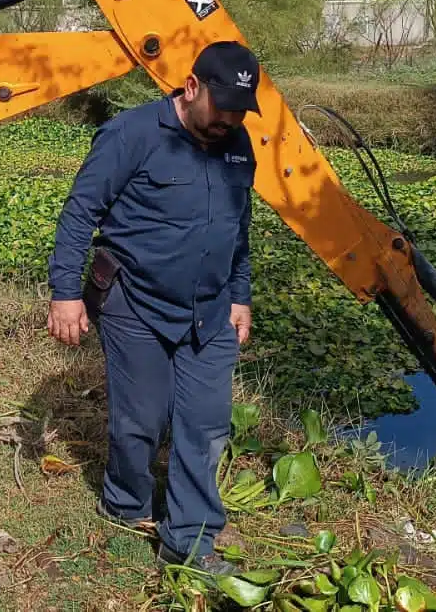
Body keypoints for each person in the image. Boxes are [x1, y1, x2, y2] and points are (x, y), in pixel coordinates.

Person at [46, 40, 259, 574]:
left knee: (206, 423)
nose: (230, 119)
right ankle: (126, 504)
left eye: (240, 109)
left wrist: (239, 296)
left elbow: (238, 229)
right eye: (223, 106)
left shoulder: (237, 143)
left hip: (209, 311)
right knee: (140, 420)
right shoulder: (131, 134)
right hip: (133, 302)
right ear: (192, 88)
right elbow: (79, 213)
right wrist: (66, 293)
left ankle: (188, 540)